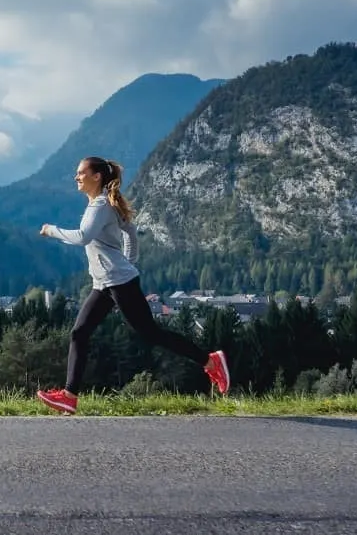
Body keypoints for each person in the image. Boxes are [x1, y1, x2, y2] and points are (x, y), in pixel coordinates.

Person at [35, 156, 230, 415]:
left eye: (81, 172)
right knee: (79, 333)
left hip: (119, 282)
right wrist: (129, 263)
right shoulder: (102, 203)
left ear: (97, 177)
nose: (76, 177)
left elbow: (83, 237)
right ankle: (70, 396)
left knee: (152, 333)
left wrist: (51, 230)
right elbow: (131, 233)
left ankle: (211, 361)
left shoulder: (101, 205)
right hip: (106, 282)